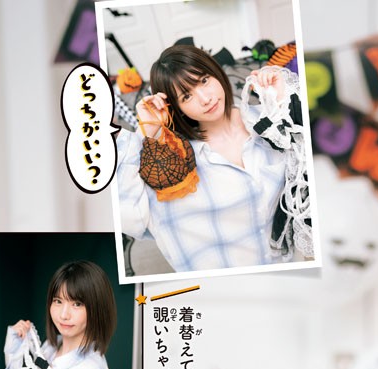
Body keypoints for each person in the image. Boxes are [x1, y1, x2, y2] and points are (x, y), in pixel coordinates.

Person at [116, 45, 309, 273]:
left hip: (287, 271)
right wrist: (146, 132)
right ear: (175, 107)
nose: (205, 98)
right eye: (186, 96)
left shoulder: (267, 121)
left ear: (215, 72)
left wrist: (283, 100)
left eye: (204, 80)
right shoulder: (174, 164)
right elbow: (129, 219)